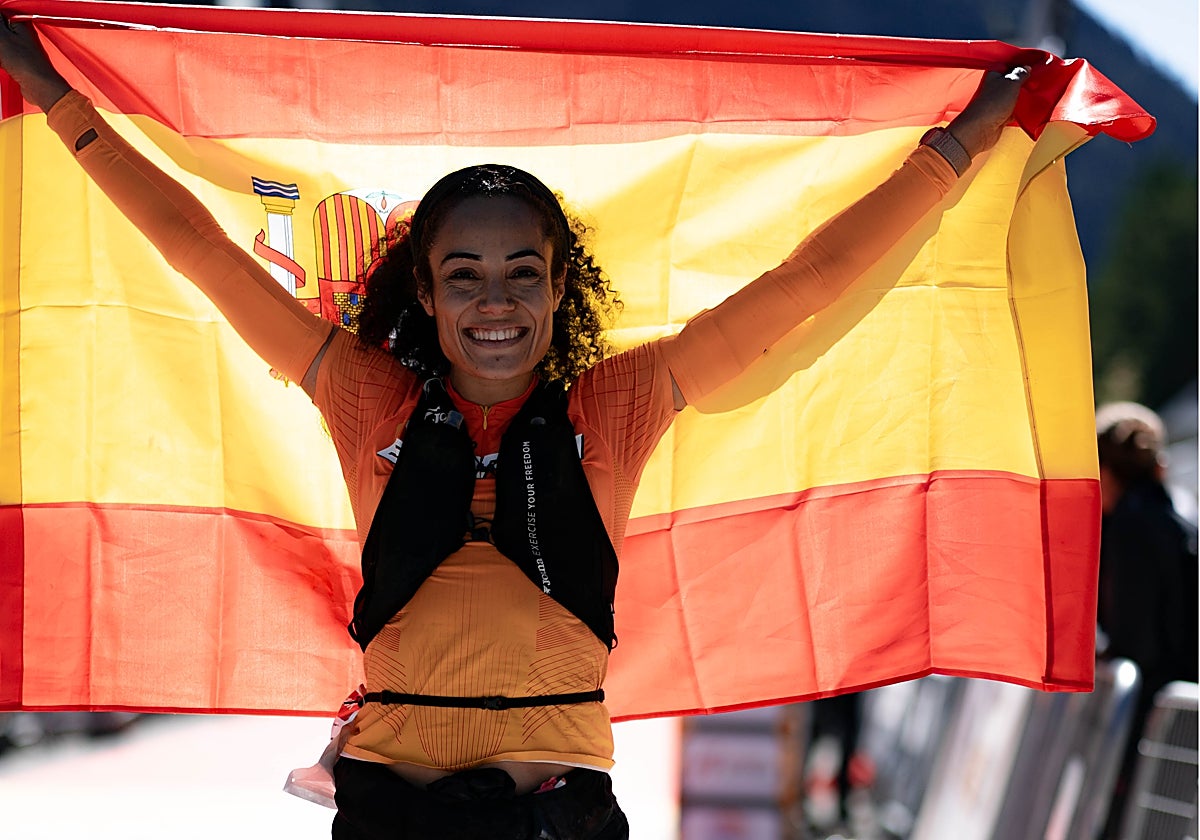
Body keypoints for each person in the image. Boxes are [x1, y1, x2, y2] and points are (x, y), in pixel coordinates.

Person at [0, 17, 1027, 839]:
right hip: (388, 810)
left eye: (521, 273)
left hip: (555, 817)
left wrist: (969, 139)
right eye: (465, 275)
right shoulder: (362, 395)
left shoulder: (624, 402)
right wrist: (53, 97)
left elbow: (808, 281)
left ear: (558, 287)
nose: (497, 300)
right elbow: (199, 249)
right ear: (429, 296)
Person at [1094, 401, 1198, 837]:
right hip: (1180, 709)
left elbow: (1137, 639)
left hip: (1149, 711)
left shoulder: (1129, 527)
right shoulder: (1175, 519)